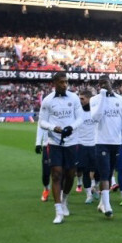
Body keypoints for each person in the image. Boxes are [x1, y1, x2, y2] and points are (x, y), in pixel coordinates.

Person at [38, 72, 83, 224]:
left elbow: (80, 118)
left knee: (70, 175)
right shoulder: (47, 100)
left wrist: (71, 127)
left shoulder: (74, 98)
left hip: (71, 142)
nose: (65, 85)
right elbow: (42, 122)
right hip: (55, 142)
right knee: (56, 175)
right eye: (62, 82)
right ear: (55, 83)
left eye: (66, 82)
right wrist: (53, 127)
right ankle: (58, 211)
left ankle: (64, 200)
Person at [90, 75, 122, 219]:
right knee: (104, 173)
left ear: (111, 83)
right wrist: (102, 97)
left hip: (116, 142)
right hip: (101, 141)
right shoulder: (94, 100)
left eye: (105, 83)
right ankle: (107, 207)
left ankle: (102, 202)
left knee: (109, 173)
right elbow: (95, 117)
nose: (103, 85)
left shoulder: (121, 101)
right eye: (100, 84)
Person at [77, 90, 99, 204]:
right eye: (79, 98)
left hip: (95, 144)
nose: (80, 101)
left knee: (98, 169)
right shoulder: (78, 111)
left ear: (90, 99)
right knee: (85, 171)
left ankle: (95, 187)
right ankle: (89, 195)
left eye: (82, 99)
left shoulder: (96, 110)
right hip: (82, 145)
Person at [35, 125, 50, 202]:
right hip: (47, 145)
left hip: (61, 145)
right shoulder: (44, 113)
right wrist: (38, 143)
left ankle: (61, 195)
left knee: (61, 171)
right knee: (46, 172)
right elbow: (40, 126)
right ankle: (46, 189)